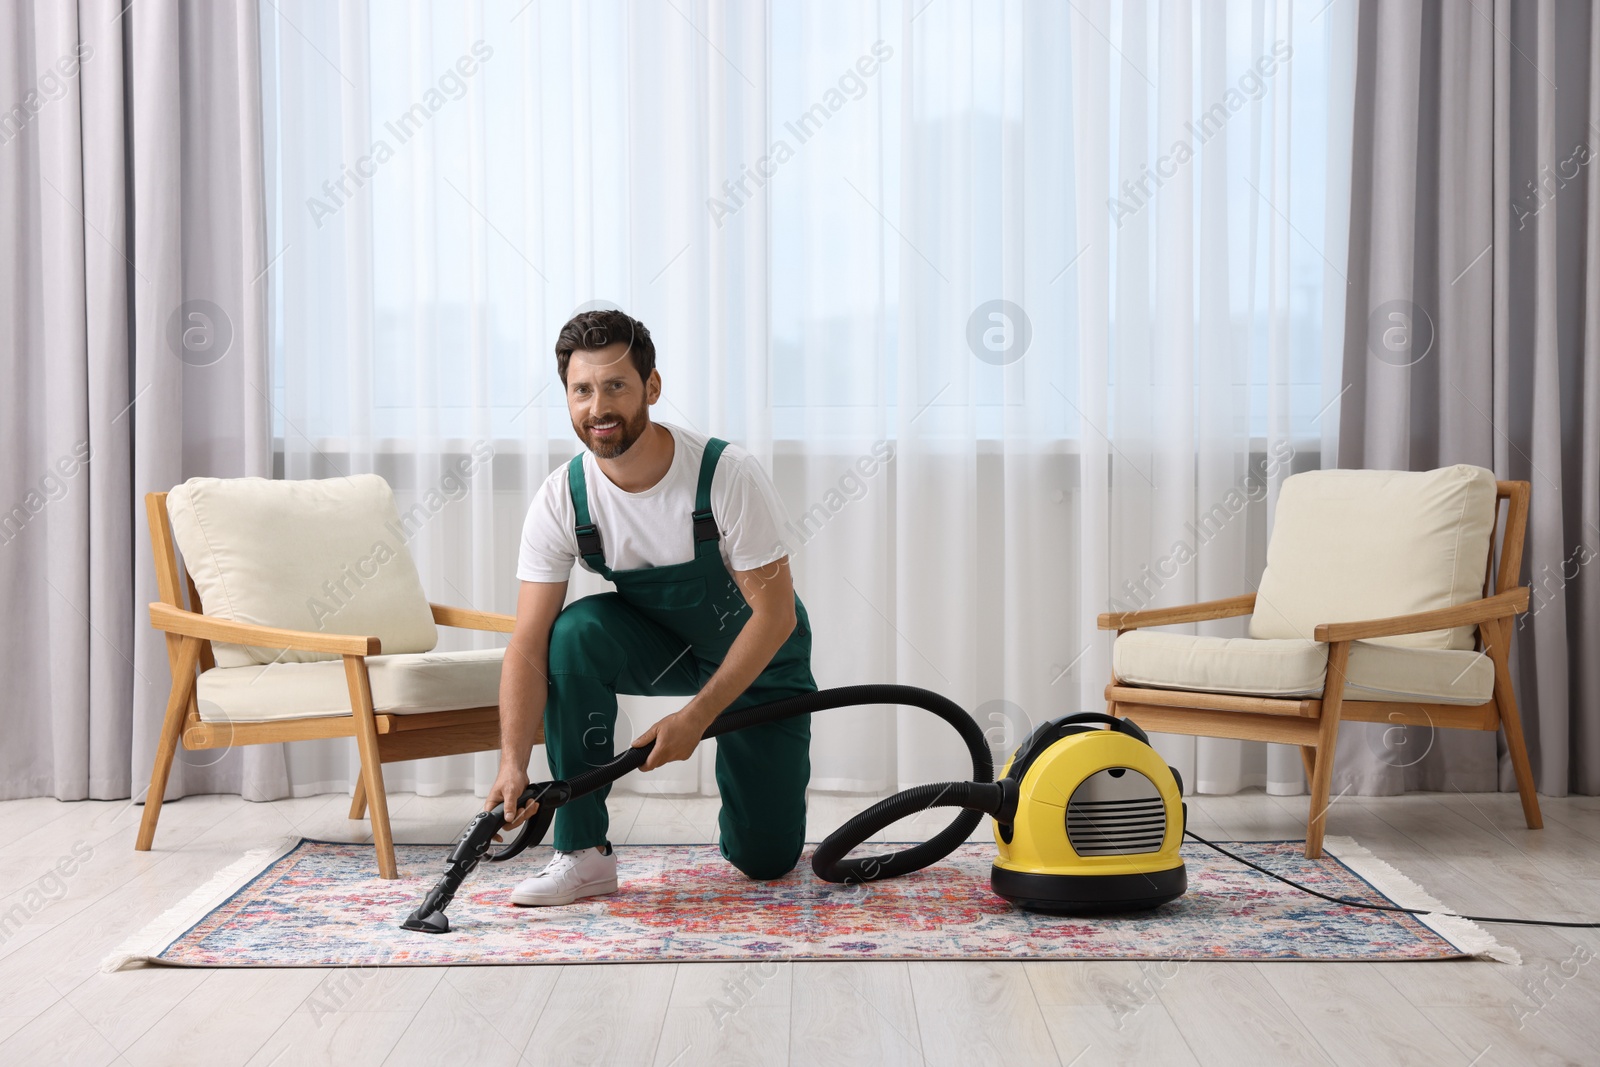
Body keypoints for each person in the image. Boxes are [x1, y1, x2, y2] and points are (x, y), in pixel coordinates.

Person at [485, 308, 816, 906]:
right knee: (573, 634)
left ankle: (752, 828)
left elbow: (775, 617)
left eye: (616, 385)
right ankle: (583, 854)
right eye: (582, 390)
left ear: (651, 388)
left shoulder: (724, 474)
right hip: (660, 647)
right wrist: (513, 761)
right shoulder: (564, 496)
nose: (598, 407)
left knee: (765, 860)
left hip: (759, 662)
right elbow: (527, 646)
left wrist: (696, 717)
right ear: (566, 397)